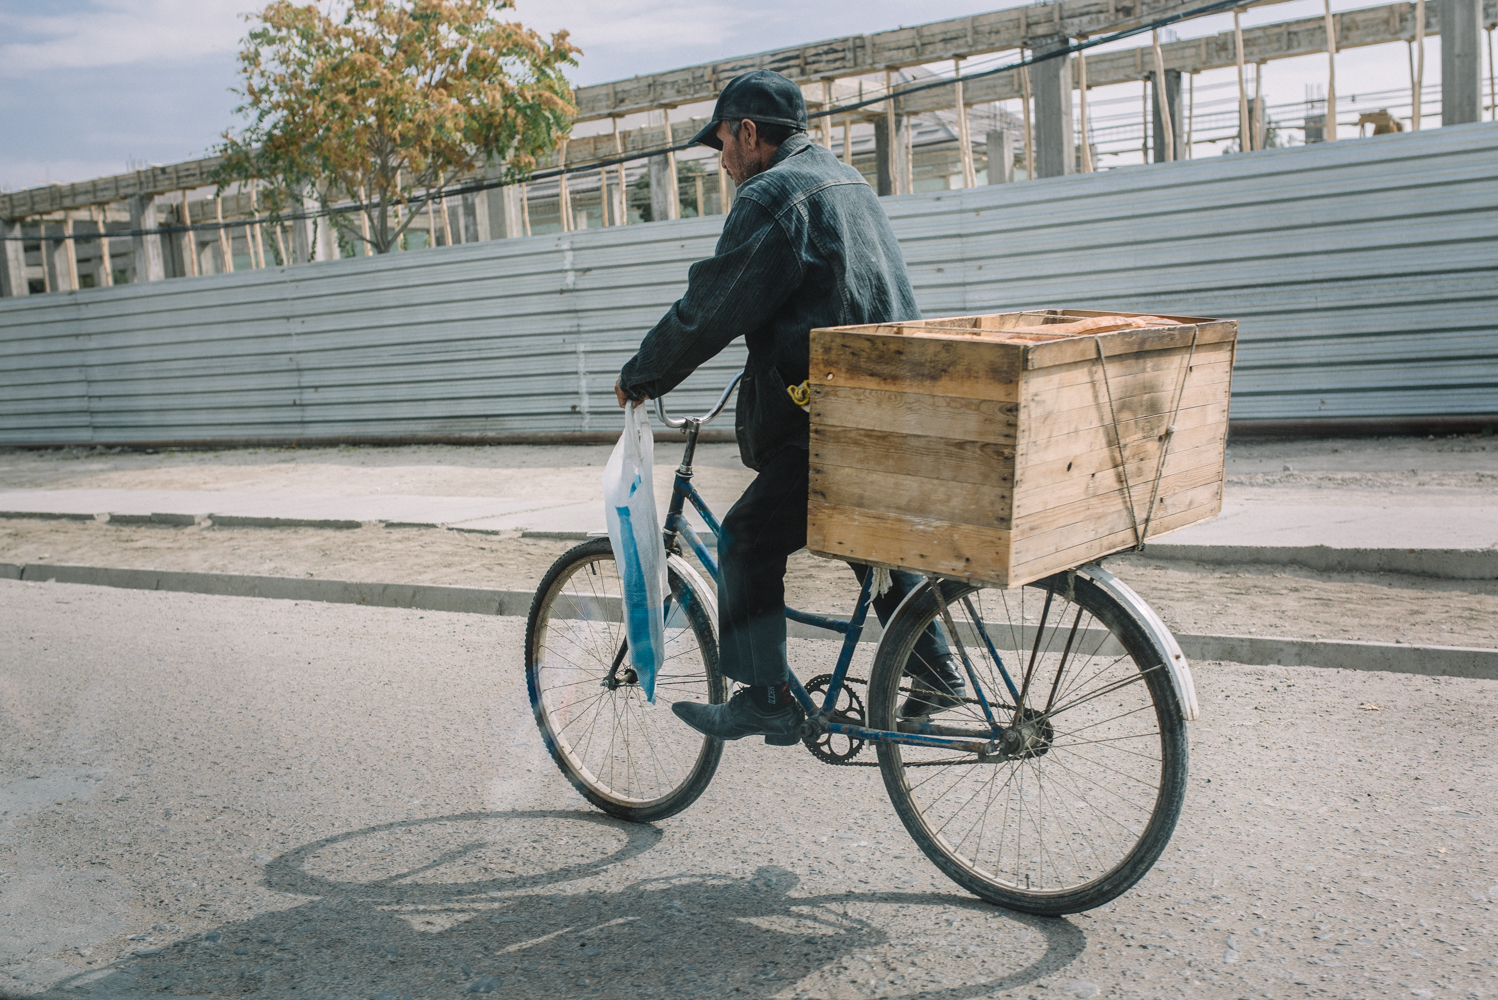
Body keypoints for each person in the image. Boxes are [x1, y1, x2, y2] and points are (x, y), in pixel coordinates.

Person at [613, 69, 965, 745]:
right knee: (868, 539)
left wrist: (644, 375)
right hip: (893, 408)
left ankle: (765, 695)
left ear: (749, 133)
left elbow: (710, 308)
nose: (721, 162)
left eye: (721, 144)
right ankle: (938, 670)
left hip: (836, 420)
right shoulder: (846, 181)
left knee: (746, 536)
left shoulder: (772, 195)